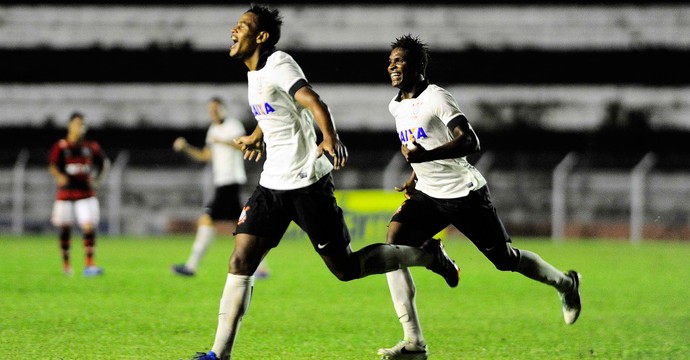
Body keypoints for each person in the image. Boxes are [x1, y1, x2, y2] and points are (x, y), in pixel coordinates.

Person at [187, 6, 460, 360]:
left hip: (306, 184)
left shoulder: (279, 63)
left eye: (241, 26)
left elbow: (312, 101)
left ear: (261, 36)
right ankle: (218, 354)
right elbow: (277, 110)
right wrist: (257, 135)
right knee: (240, 261)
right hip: (272, 185)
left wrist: (328, 137)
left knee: (345, 269)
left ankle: (427, 255)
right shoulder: (254, 73)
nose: (232, 31)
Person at [377, 34, 582, 360]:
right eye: (390, 61)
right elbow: (425, 144)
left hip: (464, 194)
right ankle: (413, 342)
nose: (392, 66)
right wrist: (416, 176)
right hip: (428, 195)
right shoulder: (396, 105)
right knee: (392, 249)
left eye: (399, 61)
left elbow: (469, 141)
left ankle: (567, 283)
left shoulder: (437, 98)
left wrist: (424, 159)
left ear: (417, 65)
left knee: (505, 260)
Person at [170, 97, 269, 278]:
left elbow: (242, 145)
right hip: (222, 182)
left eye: (216, 108)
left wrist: (221, 141)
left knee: (208, 219)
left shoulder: (233, 125)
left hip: (231, 181)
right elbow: (206, 156)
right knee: (242, 225)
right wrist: (186, 148)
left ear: (223, 109)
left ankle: (191, 266)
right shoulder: (213, 130)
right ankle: (261, 268)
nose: (213, 112)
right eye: (210, 109)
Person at [49, 112, 110, 277]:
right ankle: (66, 265)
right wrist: (59, 176)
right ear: (70, 125)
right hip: (66, 192)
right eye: (77, 124)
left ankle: (89, 264)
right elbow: (53, 166)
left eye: (82, 124)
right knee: (65, 228)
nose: (80, 127)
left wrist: (97, 180)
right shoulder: (61, 146)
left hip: (85, 192)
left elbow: (104, 163)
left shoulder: (90, 146)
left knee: (88, 226)